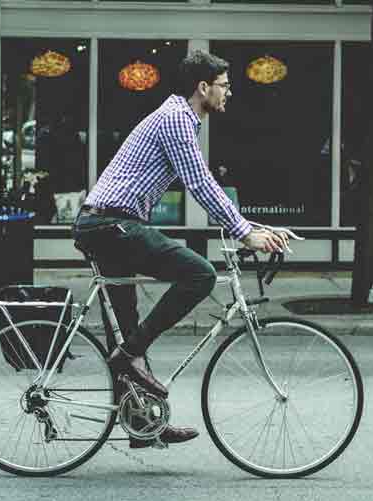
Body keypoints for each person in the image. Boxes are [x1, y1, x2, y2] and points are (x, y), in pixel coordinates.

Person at [72, 50, 287, 449]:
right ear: (203, 87)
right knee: (200, 274)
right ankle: (128, 356)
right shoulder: (176, 120)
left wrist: (257, 228)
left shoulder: (179, 118)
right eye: (224, 85)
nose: (229, 92)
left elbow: (203, 185)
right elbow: (201, 183)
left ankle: (142, 423)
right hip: (111, 225)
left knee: (128, 326)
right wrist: (243, 233)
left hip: (109, 224)